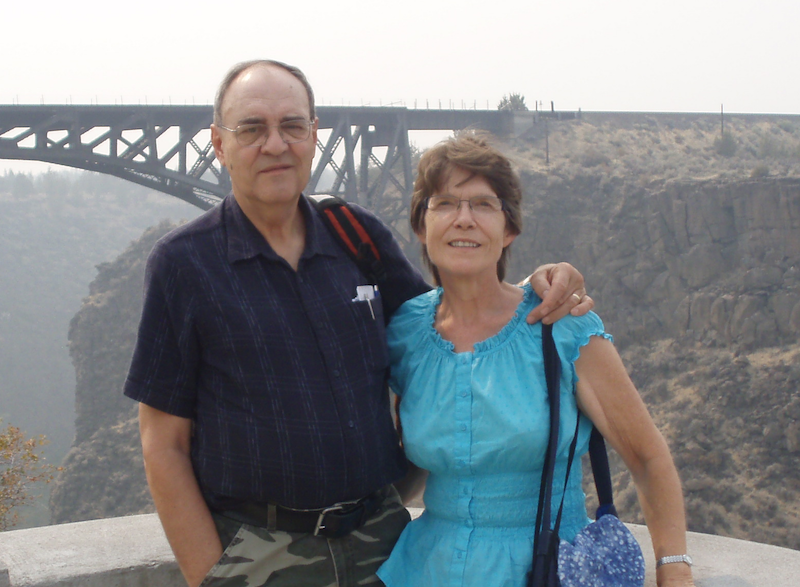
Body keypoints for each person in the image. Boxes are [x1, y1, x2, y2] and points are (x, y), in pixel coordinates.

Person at [123, 59, 592, 587]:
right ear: (218, 142)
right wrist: (212, 577)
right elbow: (162, 443)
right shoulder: (184, 264)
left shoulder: (355, 236)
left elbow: (450, 328)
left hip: (383, 548)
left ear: (314, 135)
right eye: (252, 128)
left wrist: (539, 284)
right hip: (258, 554)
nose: (275, 144)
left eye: (292, 126)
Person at [376, 133, 695, 587]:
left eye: (483, 205)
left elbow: (645, 456)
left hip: (546, 569)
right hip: (425, 569)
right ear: (421, 226)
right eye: (445, 203)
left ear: (509, 230)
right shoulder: (405, 332)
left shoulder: (560, 322)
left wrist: (675, 568)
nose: (463, 219)